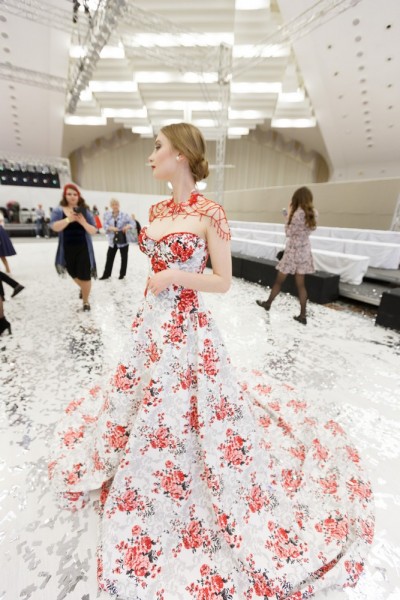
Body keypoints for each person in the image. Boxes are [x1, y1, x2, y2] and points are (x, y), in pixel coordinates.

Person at [48, 123, 373, 599]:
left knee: (186, 406)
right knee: (143, 397)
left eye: (157, 147)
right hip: (150, 323)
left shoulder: (211, 213)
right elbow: (154, 263)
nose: (150, 156)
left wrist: (175, 276)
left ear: (180, 153)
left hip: (186, 325)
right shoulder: (157, 210)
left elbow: (223, 280)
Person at [256, 186, 317, 325]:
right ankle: (303, 315)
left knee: (279, 280)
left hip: (293, 251)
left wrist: (288, 216)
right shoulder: (314, 213)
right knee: (301, 285)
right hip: (304, 251)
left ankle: (268, 303)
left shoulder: (296, 214)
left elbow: (288, 233)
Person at [50, 183, 97, 311]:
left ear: (78, 196)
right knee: (71, 272)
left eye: (75, 194)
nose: (72, 196)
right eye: (69, 194)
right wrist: (68, 219)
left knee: (85, 275)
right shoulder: (58, 210)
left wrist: (83, 222)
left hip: (83, 248)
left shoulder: (84, 211)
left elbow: (93, 230)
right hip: (66, 249)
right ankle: (84, 288)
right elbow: (54, 227)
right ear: (65, 195)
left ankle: (86, 301)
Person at [99, 199, 135, 280]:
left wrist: (127, 226)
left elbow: (133, 223)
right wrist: (111, 228)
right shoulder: (107, 215)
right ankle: (106, 274)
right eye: (113, 204)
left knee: (124, 258)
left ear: (119, 205)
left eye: (116, 204)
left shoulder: (124, 215)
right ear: (111, 206)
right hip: (112, 240)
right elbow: (104, 225)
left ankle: (122, 275)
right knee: (109, 257)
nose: (115, 206)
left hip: (123, 240)